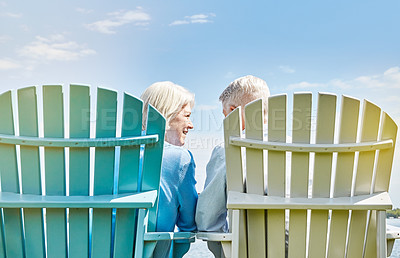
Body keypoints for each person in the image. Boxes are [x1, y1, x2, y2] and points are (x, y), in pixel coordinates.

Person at [195, 75, 270, 257]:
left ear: (233, 111)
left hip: (249, 251)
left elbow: (208, 220)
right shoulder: (298, 149)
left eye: (224, 115)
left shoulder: (227, 150)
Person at [141, 81, 198, 258]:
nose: (191, 125)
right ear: (167, 114)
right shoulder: (179, 159)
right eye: (187, 116)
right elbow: (187, 226)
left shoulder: (112, 154)